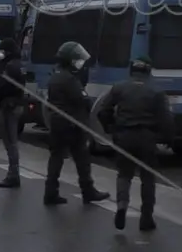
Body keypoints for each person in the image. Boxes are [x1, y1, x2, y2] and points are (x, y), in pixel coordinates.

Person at [98, 57, 171, 229]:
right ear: (148, 71)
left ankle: (122, 206)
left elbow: (103, 110)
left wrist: (111, 128)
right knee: (148, 178)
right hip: (147, 137)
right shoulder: (156, 92)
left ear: (132, 70)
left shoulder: (119, 88)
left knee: (124, 174)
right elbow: (167, 119)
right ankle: (146, 217)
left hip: (124, 136)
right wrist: (167, 138)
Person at [44, 41, 109, 206]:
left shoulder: (55, 76)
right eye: (77, 59)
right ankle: (88, 191)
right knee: (82, 160)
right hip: (72, 125)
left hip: (58, 124)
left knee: (56, 159)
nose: (80, 62)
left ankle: (50, 192)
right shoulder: (69, 79)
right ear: (69, 60)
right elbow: (83, 100)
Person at [0, 38, 28, 188]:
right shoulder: (19, 64)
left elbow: (1, 85)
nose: (0, 53)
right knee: (12, 141)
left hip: (8, 106)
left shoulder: (10, 66)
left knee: (10, 141)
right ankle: (13, 173)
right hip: (16, 105)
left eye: (2, 50)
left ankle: (13, 174)